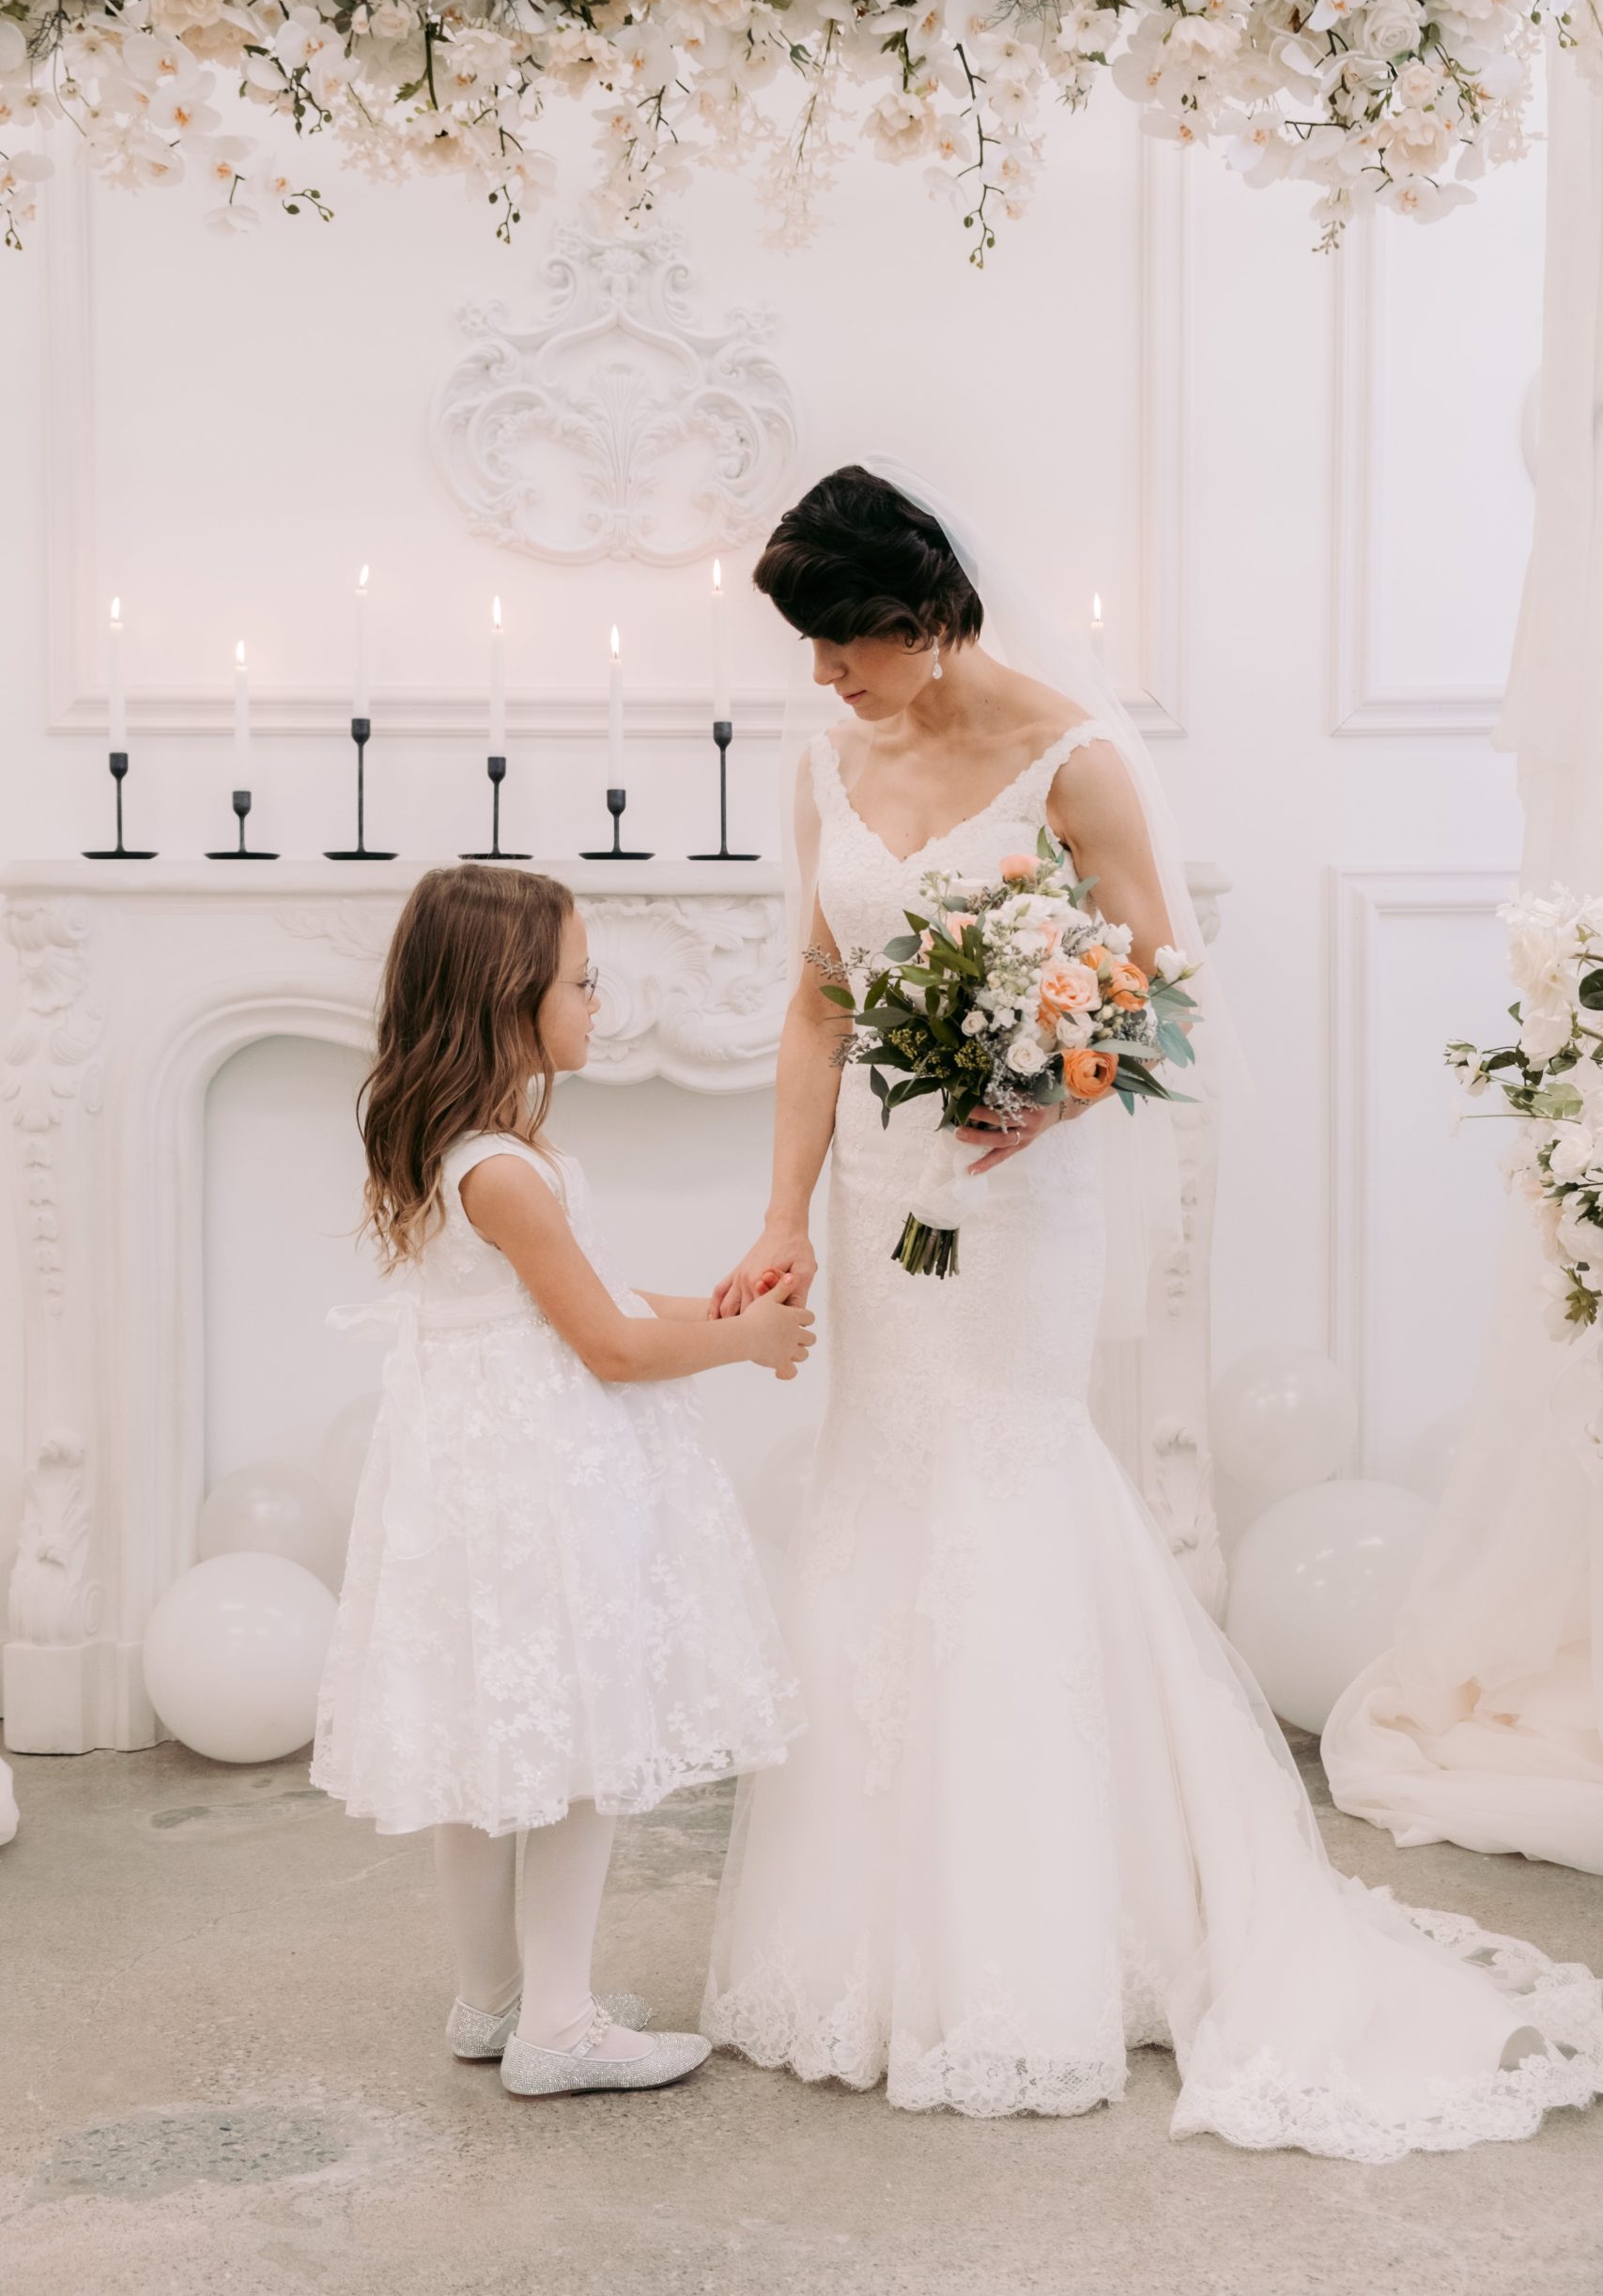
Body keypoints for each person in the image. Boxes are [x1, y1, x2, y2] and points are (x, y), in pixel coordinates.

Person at [700, 462, 1603, 2158]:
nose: (823, 680)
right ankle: (873, 1939)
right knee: (881, 1491)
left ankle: (1046, 1939)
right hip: (881, 1189)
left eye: (844, 646)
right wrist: (784, 1222)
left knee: (1007, 1492)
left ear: (928, 617)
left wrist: (1053, 1088)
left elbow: (1159, 991)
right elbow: (818, 1005)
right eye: (812, 652)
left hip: (1015, 1201)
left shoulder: (1071, 760)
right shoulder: (829, 765)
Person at [312, 863, 811, 2098]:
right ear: (509, 996)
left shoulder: (459, 1147)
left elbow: (581, 1307)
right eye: (579, 981)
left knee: (491, 1754)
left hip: (475, 1485)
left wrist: (715, 1299)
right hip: (542, 1486)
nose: (599, 1000)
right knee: (582, 1743)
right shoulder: (510, 1173)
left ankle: (493, 2000)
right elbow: (608, 1347)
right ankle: (565, 2021)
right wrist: (747, 1346)